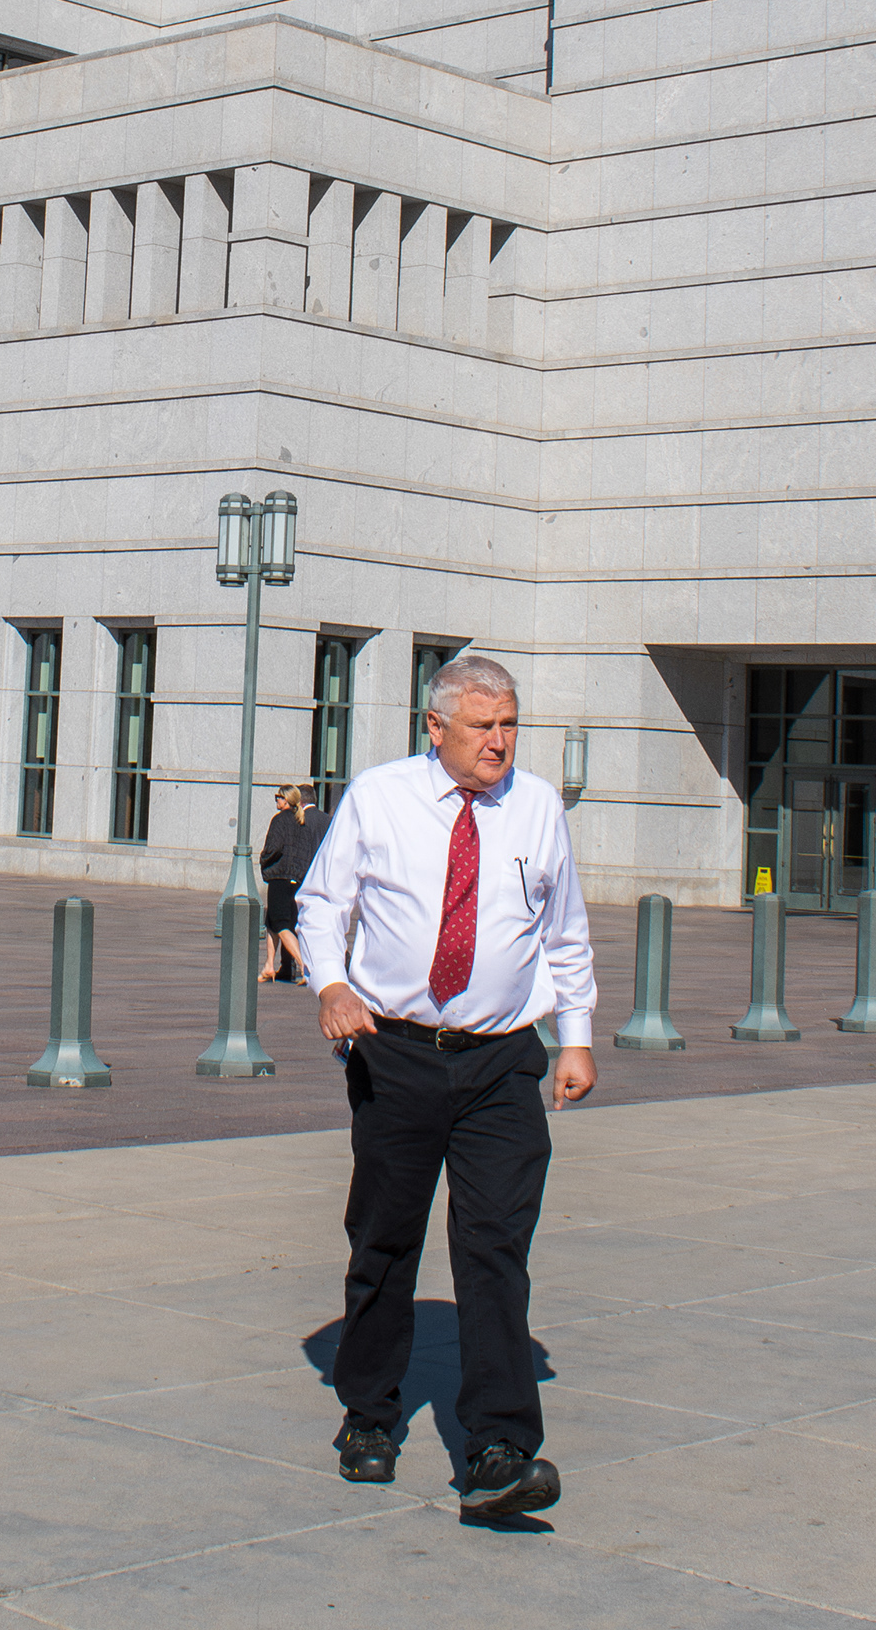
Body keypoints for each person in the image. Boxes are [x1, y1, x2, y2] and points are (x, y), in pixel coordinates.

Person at [295, 651, 594, 1522]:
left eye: (509, 726)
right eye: (482, 727)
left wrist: (573, 1038)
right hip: (397, 1053)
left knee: (496, 1243)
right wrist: (332, 985)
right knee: (385, 1236)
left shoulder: (537, 808)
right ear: (436, 728)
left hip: (503, 1059)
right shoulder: (382, 797)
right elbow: (321, 904)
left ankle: (500, 1446)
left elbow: (565, 934)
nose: (499, 743)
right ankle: (370, 1414)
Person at [260, 783, 318, 985]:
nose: (276, 800)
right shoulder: (301, 820)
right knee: (272, 922)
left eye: (279, 796)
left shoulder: (280, 820)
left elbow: (273, 847)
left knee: (282, 924)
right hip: (296, 879)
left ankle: (304, 966)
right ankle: (269, 966)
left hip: (280, 877)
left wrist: (264, 860)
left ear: (286, 800)